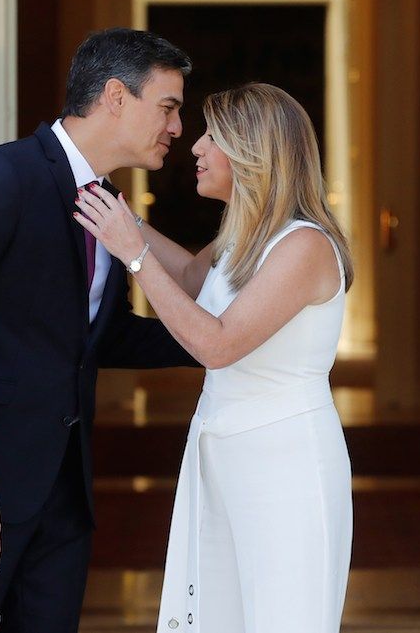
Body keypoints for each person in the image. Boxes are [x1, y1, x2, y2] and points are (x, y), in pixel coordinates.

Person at [0, 28, 199, 633]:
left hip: (62, 495)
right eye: (168, 106)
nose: (177, 127)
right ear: (115, 96)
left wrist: (222, 339)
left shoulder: (107, 204)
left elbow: (93, 340)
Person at [76, 82, 355, 633]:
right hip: (221, 451)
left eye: (213, 137)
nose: (196, 147)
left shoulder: (305, 245)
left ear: (254, 151)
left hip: (286, 464)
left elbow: (217, 344)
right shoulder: (243, 238)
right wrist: (116, 216)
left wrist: (131, 254)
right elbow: (188, 277)